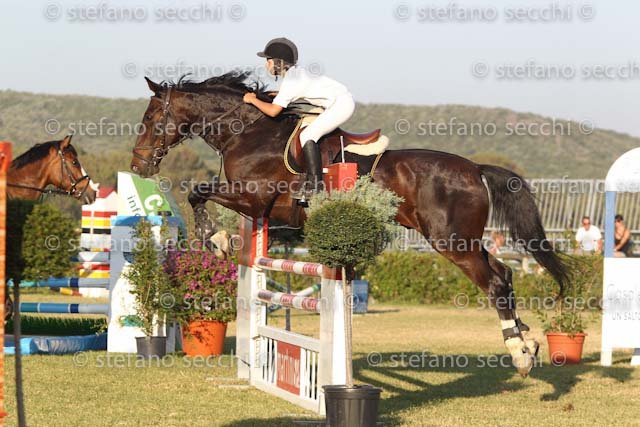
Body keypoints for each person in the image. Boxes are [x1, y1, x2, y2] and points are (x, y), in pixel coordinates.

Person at [243, 37, 355, 200]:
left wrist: (252, 100)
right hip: (337, 102)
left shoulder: (291, 81)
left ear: (278, 62)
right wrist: (278, 95)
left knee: (307, 135)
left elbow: (273, 111)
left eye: (268, 60)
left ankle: (316, 186)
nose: (266, 65)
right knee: (305, 131)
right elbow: (294, 92)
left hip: (341, 105)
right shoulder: (294, 75)